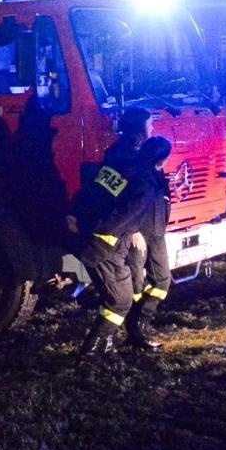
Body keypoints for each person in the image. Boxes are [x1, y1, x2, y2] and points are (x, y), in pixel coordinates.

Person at [67, 113, 155, 360]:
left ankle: (105, 345)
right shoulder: (131, 166)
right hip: (106, 244)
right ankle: (91, 351)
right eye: (151, 124)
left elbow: (98, 193)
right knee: (119, 299)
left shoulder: (116, 156)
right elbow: (122, 207)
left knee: (121, 297)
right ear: (141, 131)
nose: (154, 127)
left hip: (109, 240)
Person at [123, 135, 174, 353]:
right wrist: (133, 231)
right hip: (139, 236)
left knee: (162, 280)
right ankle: (135, 334)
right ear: (160, 158)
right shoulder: (137, 176)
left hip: (156, 234)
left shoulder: (157, 175)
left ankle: (140, 324)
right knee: (135, 286)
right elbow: (126, 206)